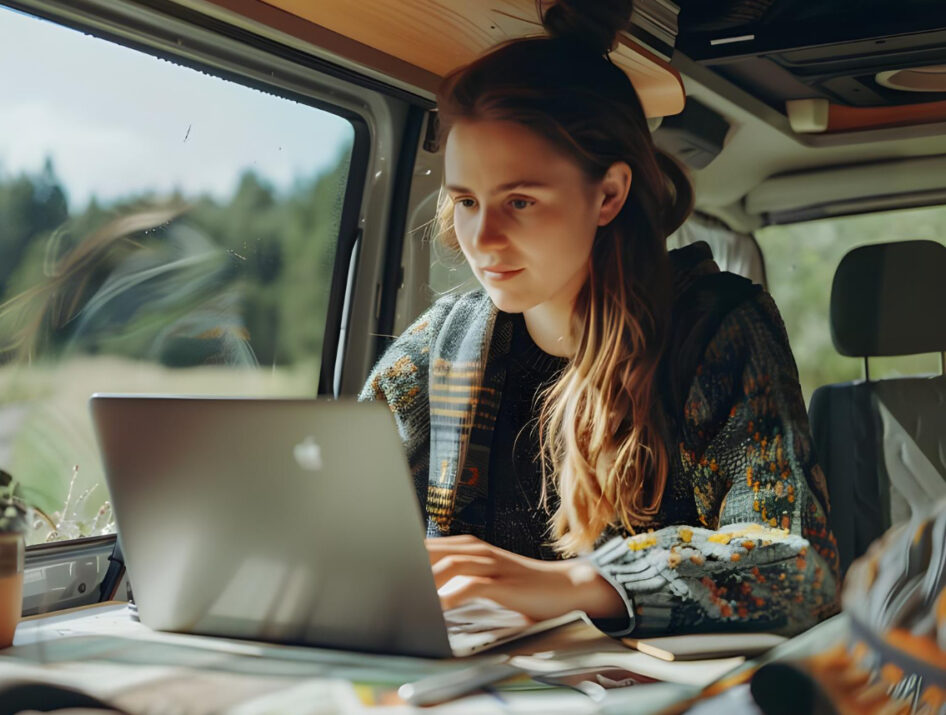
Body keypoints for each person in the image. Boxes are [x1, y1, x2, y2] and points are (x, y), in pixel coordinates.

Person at [360, 0, 839, 636]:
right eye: (467, 200)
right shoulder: (442, 343)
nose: (483, 238)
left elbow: (798, 568)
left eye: (520, 200)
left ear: (608, 193)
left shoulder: (717, 331)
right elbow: (334, 512)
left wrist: (579, 585)